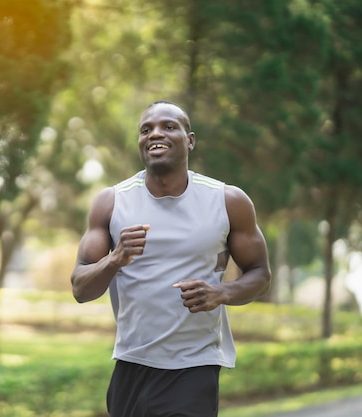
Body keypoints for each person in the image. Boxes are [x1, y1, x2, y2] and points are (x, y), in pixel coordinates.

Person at [70, 100, 271, 417]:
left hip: (194, 364)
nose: (155, 134)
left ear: (190, 140)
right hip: (131, 362)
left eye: (168, 126)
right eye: (146, 129)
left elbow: (260, 274)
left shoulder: (227, 200)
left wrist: (223, 292)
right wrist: (115, 259)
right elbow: (80, 289)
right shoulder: (111, 203)